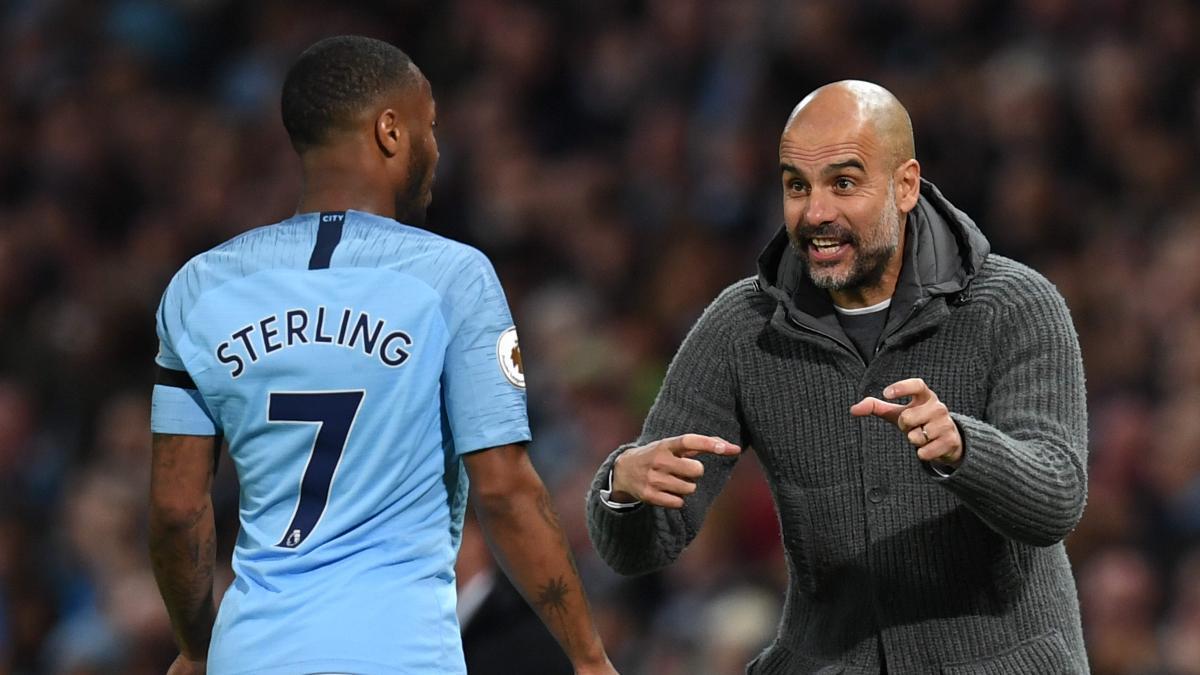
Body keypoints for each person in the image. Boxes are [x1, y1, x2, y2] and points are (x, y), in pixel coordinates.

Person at [148, 35, 615, 675]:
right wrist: (589, 658)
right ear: (391, 131)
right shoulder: (453, 278)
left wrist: (198, 649)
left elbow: (176, 509)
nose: (436, 149)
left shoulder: (200, 289)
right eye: (430, 127)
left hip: (251, 651)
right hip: (396, 652)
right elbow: (504, 491)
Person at [586, 80, 1089, 673]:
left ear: (905, 186)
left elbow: (1057, 499)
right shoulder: (742, 327)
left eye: (843, 183)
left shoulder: (1015, 304)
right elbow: (644, 549)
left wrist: (963, 449)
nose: (815, 212)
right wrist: (622, 490)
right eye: (797, 186)